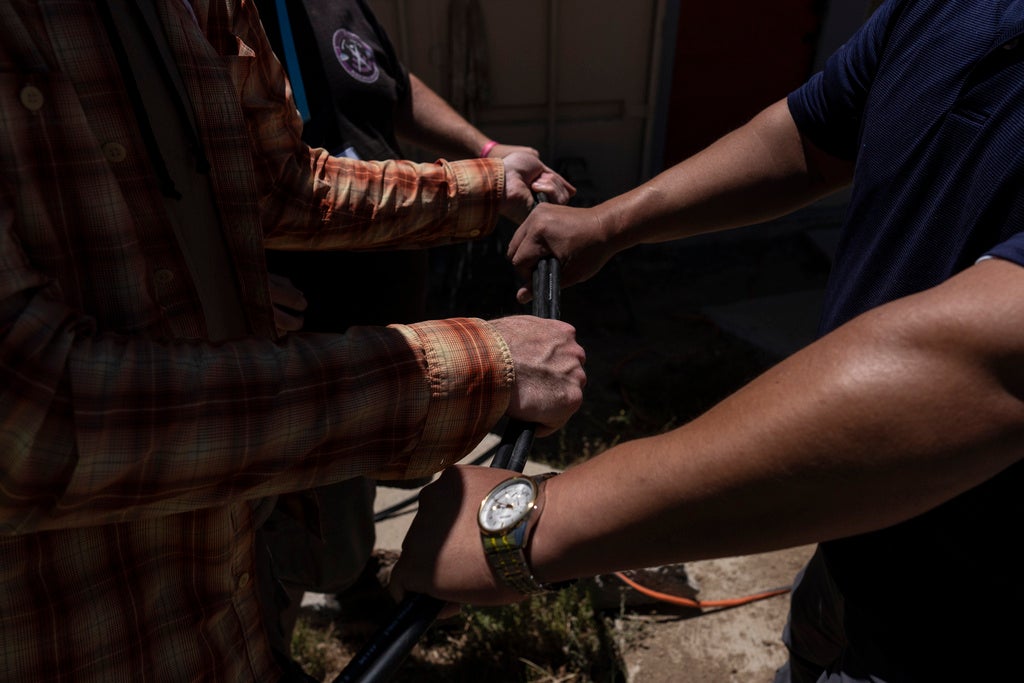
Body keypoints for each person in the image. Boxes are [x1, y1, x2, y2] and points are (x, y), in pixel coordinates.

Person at [391, 1, 1024, 681]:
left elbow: (986, 361)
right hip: (854, 545)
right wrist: (608, 224)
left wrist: (525, 526)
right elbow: (808, 136)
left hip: (973, 609)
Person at [0, 2, 584, 682]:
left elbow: (278, 179)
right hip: (75, 631)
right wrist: (475, 366)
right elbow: (34, 417)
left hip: (226, 596)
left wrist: (482, 184)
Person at [249, 0, 567, 657]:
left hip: (378, 308)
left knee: (351, 485)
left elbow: (381, 83)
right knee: (289, 523)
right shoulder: (208, 18)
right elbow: (286, 187)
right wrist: (493, 361)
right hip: (292, 333)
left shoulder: (332, 5)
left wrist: (487, 161)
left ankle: (348, 576)